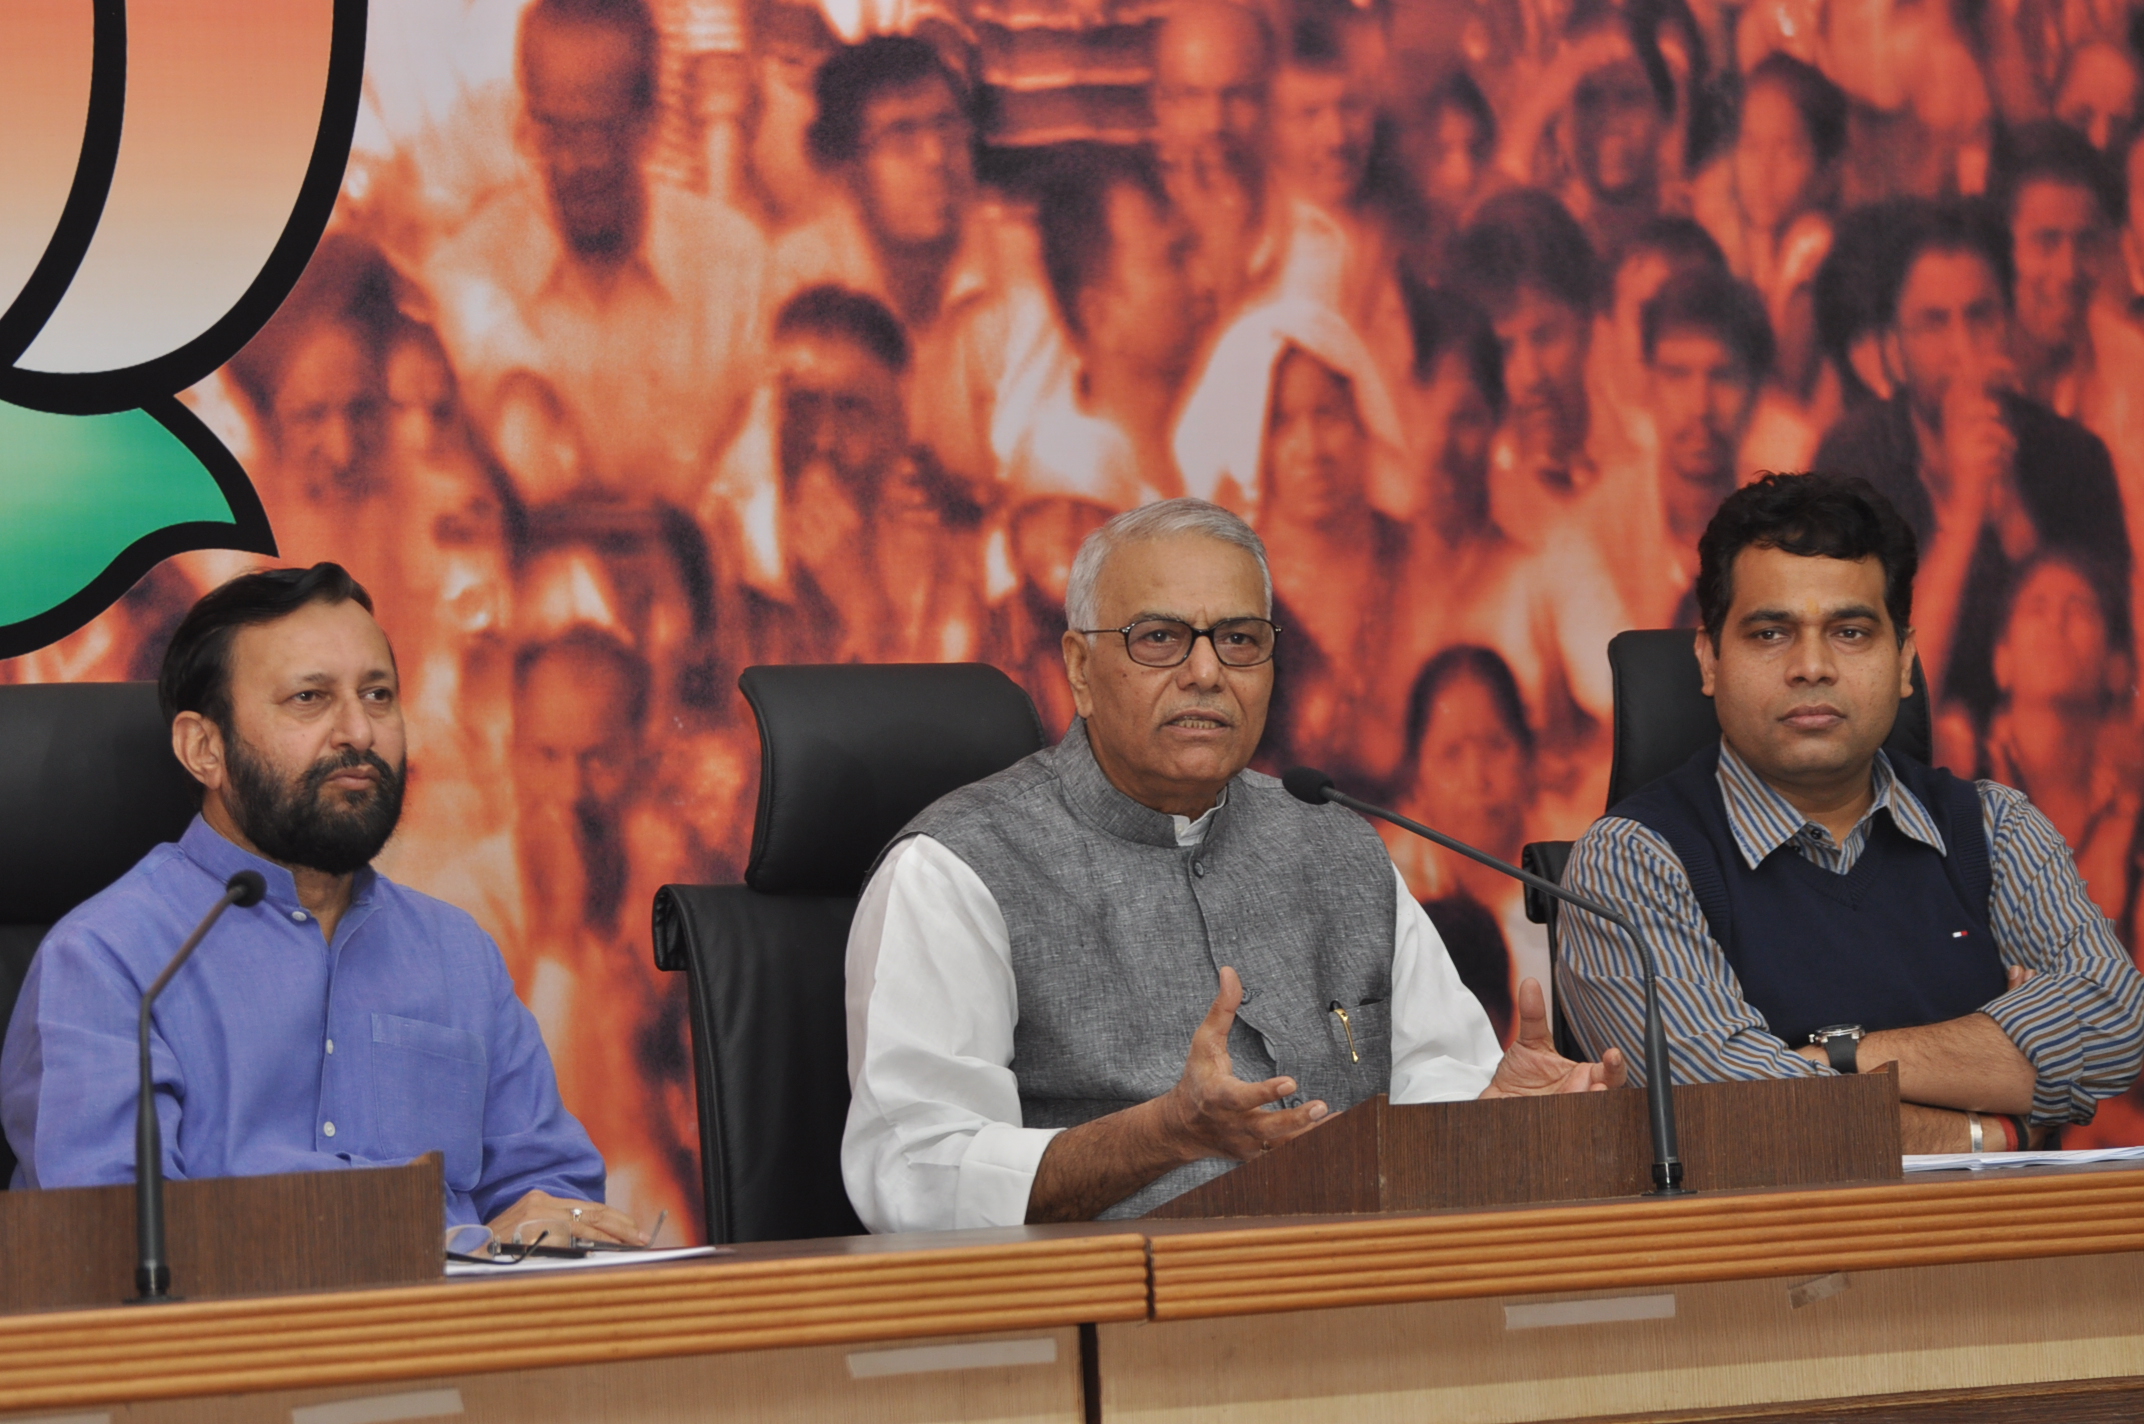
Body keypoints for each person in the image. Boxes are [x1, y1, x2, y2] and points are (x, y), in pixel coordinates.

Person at [840, 499, 1625, 1232]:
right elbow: (912, 1170)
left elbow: (1433, 1092)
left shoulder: (1336, 845)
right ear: (1079, 668)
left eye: (1240, 640)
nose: (1207, 672)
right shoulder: (958, 869)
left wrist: (1500, 1118)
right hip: (1108, 1338)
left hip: (1359, 1317)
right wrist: (1160, 1135)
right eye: (1159, 638)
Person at [0, 565, 637, 1241]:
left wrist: (555, 1229)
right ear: (203, 749)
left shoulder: (457, 952)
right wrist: (446, 1243)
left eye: (378, 695)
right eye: (309, 698)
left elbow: (555, 1195)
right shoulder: (113, 961)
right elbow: (124, 1239)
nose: (358, 732)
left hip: (467, 1340)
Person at [1556, 474, 2144, 1153]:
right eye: (1771, 632)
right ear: (1710, 659)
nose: (1812, 666)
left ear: (1905, 662)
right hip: (1767, 1253)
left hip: (2000, 1249)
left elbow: (2111, 1029)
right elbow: (1736, 1116)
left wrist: (1832, 1060)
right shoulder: (1634, 860)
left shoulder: (1995, 828)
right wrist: (1993, 1124)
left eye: (1852, 631)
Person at [415, 0, 766, 510]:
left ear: (649, 122)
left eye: (604, 131)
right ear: (527, 120)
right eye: (556, 132)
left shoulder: (733, 270)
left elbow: (751, 495)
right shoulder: (471, 274)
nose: (581, 162)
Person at [1810, 199, 2131, 742]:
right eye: (1934, 324)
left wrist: (2009, 509)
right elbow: (1878, 702)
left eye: (1980, 316)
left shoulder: (2076, 457)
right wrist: (1965, 511)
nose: (1962, 350)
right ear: (1894, 345)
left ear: (2008, 320)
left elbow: (2101, 679)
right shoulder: (1851, 464)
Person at [1388, 645, 1547, 1046]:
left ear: (1530, 758)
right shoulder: (1381, 889)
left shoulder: (1576, 872)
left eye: (1495, 745)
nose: (1478, 778)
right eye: (1452, 753)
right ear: (1415, 779)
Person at [1635, 267, 1775, 625]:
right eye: (1677, 375)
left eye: (1723, 376)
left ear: (1757, 392)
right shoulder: (1590, 539)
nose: (1700, 406)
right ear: (1648, 383)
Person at [1149, 0, 1278, 324]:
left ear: (1270, 99)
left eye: (1237, 96)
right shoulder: (1122, 249)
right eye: (1192, 95)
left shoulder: (1316, 237)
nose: (1214, 122)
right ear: (1160, 104)